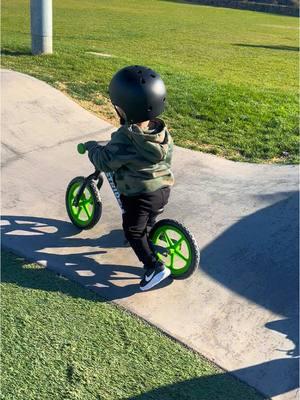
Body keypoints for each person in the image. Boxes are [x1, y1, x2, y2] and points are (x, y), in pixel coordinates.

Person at [84, 65, 174, 291]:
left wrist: (93, 149)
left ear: (123, 109)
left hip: (140, 194)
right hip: (163, 189)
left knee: (132, 231)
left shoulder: (125, 138)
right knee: (146, 219)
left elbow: (105, 161)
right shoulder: (160, 131)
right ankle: (150, 233)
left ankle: (154, 267)